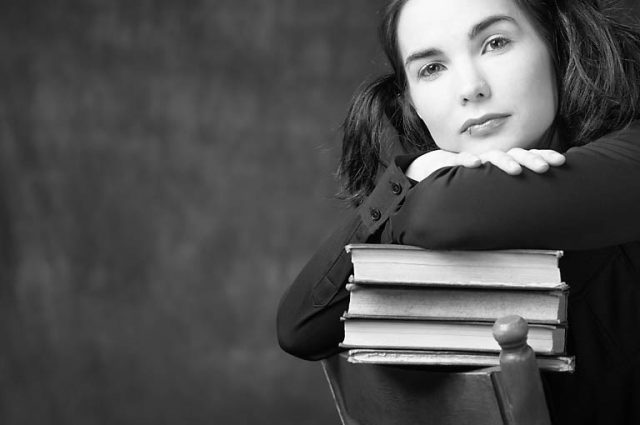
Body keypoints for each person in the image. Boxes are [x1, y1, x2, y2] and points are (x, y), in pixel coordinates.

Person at [277, 0, 640, 423]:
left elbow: (444, 213)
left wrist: (416, 185)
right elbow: (301, 326)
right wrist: (415, 173)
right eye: (431, 68)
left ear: (558, 44)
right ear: (411, 100)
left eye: (496, 42)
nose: (471, 87)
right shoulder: (429, 195)